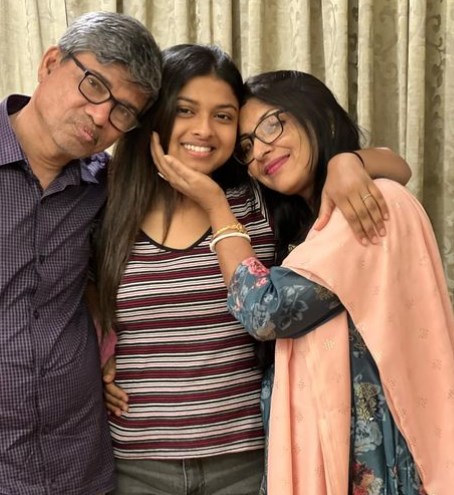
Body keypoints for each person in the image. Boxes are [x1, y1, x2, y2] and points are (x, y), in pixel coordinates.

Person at [97, 44, 411, 495]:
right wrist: (98, 358)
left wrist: (350, 161)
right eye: (186, 110)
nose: (203, 130)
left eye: (223, 116)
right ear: (157, 113)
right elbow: (73, 291)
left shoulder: (260, 195)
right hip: (138, 462)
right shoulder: (108, 206)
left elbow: (394, 168)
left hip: (249, 459)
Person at [152, 69, 454, 494]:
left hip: (376, 456)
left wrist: (216, 206)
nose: (260, 150)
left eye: (273, 124)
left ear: (319, 118)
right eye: (247, 145)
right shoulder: (306, 227)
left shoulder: (370, 203)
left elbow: (266, 311)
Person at [0, 11, 161, 495]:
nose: (100, 117)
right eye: (94, 86)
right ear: (50, 63)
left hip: (79, 466)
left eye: (123, 112)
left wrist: (349, 160)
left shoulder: (107, 187)